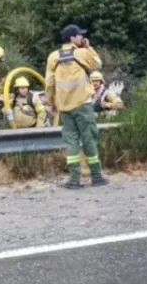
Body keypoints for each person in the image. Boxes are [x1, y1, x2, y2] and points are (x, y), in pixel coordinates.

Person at [45, 24, 105, 188]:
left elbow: (49, 83)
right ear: (72, 38)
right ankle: (96, 176)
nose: (82, 37)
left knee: (71, 141)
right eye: (79, 35)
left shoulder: (53, 57)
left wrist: (51, 102)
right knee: (89, 138)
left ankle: (74, 179)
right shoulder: (81, 53)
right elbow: (98, 64)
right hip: (82, 104)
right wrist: (88, 47)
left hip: (64, 107)